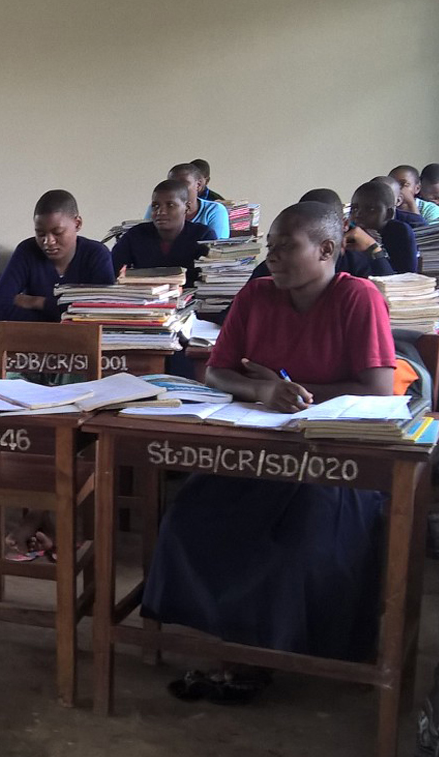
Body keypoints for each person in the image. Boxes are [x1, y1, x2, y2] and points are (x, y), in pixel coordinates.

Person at [143, 202, 396, 701]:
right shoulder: (256, 296)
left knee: (295, 539)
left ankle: (265, 653)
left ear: (327, 249)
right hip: (256, 450)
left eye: (286, 246)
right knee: (189, 516)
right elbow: (215, 372)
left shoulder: (357, 299)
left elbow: (379, 391)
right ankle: (230, 640)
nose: (272, 257)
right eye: (271, 246)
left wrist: (297, 391)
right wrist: (261, 392)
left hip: (331, 463)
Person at [0, 190, 115, 324]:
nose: (48, 241)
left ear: (77, 224)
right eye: (40, 233)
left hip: (81, 342)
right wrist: (65, 315)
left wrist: (38, 302)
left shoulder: (96, 255)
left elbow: (102, 316)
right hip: (34, 341)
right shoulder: (26, 252)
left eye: (57, 232)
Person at [249, 188, 393, 280]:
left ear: (344, 224)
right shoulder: (277, 265)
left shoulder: (356, 264)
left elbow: (392, 300)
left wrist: (373, 248)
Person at [111, 179, 214, 273]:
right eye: (155, 206)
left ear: (186, 207)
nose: (161, 211)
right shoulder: (135, 235)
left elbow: (211, 279)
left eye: (170, 205)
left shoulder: (203, 236)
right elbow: (114, 273)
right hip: (146, 293)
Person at [349, 179, 418, 274]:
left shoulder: (399, 232)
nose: (358, 213)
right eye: (354, 208)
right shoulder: (349, 235)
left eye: (370, 209)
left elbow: (405, 279)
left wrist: (372, 248)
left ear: (388, 214)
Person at [147, 163, 229, 239]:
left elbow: (217, 248)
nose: (177, 188)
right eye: (172, 183)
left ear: (198, 185)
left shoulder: (214, 211)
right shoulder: (156, 209)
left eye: (184, 183)